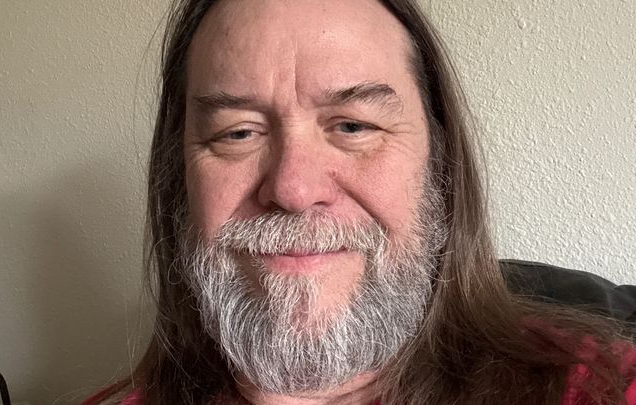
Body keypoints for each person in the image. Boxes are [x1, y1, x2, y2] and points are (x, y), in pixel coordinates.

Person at [84, 0, 636, 404]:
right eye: (238, 133)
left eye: (352, 126)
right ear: (178, 180)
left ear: (440, 163)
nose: (294, 190)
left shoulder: (603, 389)